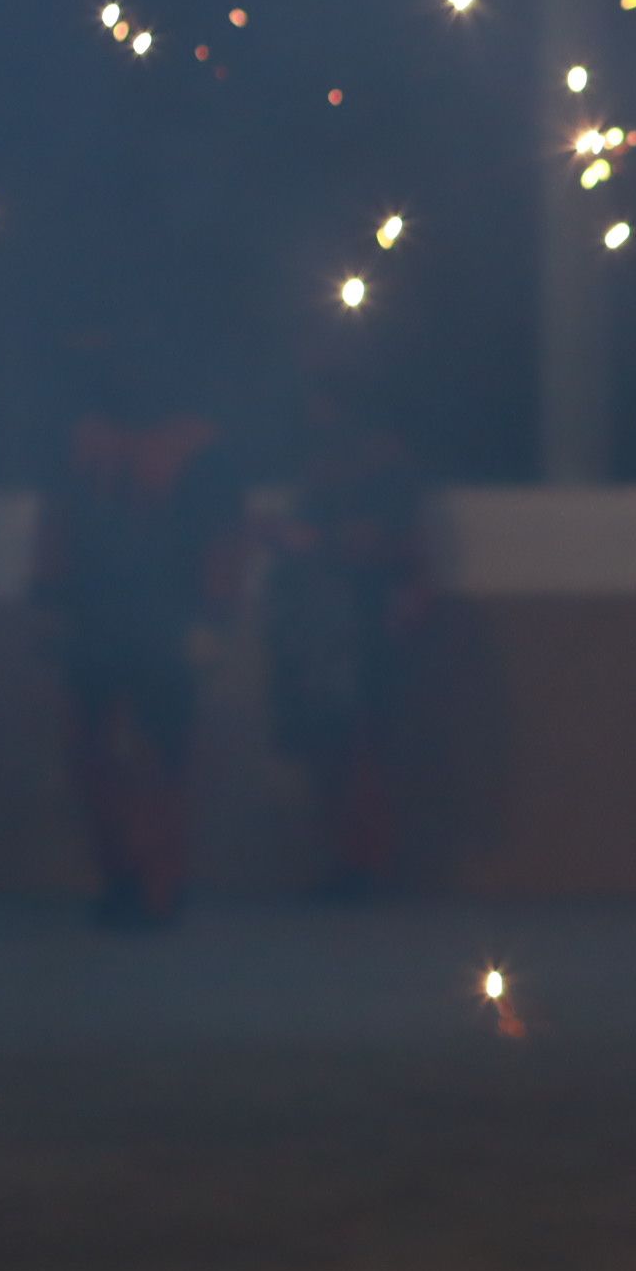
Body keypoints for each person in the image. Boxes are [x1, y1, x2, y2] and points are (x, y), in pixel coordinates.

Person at [31, 347, 244, 927]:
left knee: (161, 761)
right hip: (98, 618)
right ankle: (125, 880)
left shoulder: (199, 450)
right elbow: (58, 529)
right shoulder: (83, 445)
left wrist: (212, 619)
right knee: (95, 756)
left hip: (163, 621)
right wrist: (50, 606)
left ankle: (155, 885)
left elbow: (221, 537)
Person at [264, 377, 429, 896]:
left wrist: (315, 540)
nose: (311, 413)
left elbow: (388, 545)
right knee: (328, 746)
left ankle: (367, 864)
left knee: (362, 744)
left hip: (361, 619)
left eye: (319, 403)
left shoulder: (385, 465)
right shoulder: (321, 466)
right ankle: (344, 859)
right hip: (319, 623)